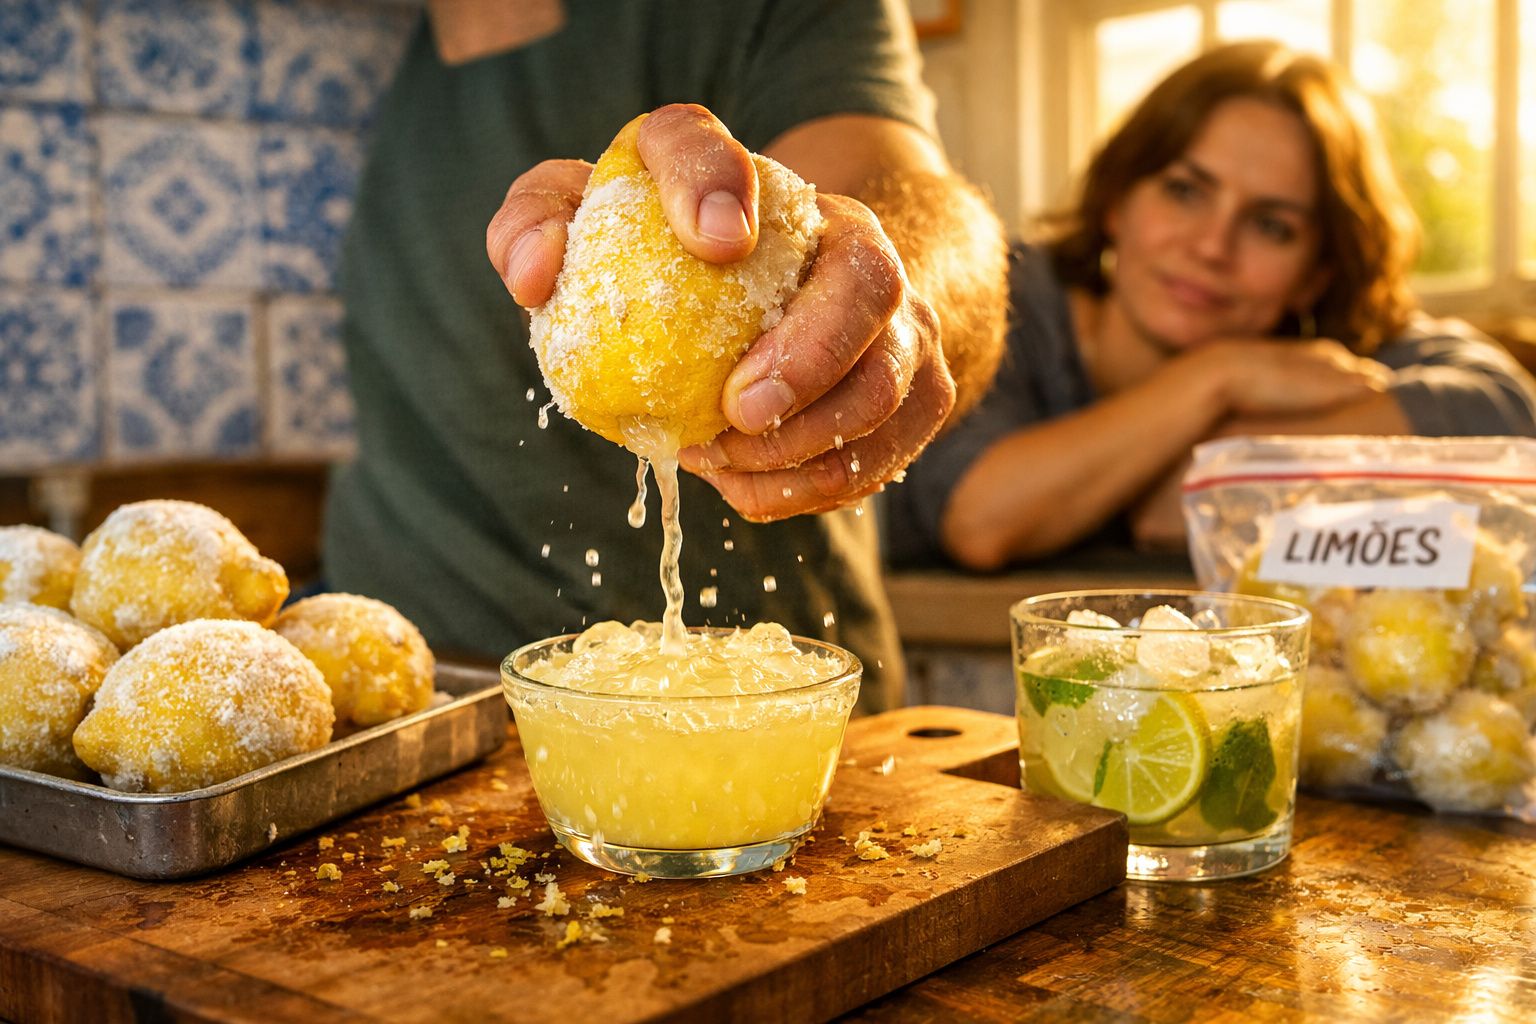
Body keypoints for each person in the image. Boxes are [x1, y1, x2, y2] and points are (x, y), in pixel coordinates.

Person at [321, 0, 1008, 710]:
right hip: (409, 708)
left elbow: (905, 203)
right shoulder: (404, 66)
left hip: (750, 711)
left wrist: (878, 300)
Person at [887, 40, 1536, 573]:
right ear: (1116, 201)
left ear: (1316, 275)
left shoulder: (1331, 334)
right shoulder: (999, 293)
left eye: (1272, 226)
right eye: (1184, 191)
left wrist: (1204, 475)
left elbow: (1503, 413)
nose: (1212, 246)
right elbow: (981, 520)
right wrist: (1220, 377)